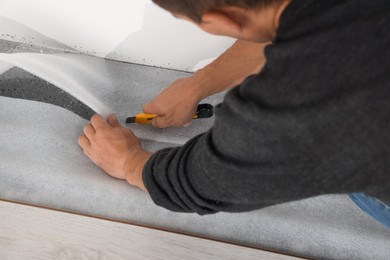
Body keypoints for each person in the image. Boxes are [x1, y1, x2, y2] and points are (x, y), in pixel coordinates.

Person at [78, 0, 390, 227]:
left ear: (223, 21)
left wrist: (131, 162)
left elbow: (206, 182)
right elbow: (295, 15)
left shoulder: (297, 101)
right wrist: (199, 84)